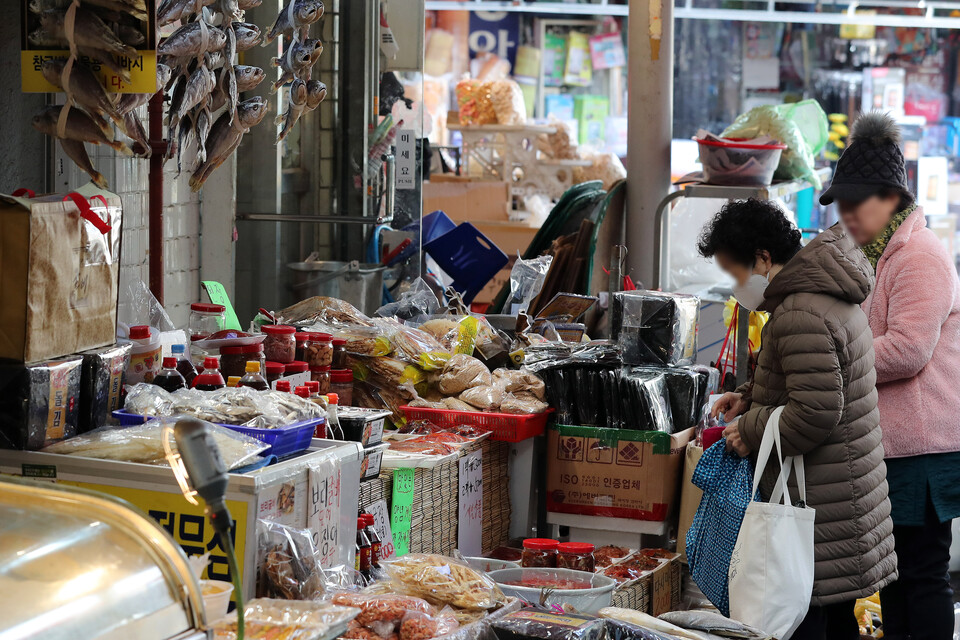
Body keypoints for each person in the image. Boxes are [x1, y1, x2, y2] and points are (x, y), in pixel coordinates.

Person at [700, 198, 896, 640]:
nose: (735, 286)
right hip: (845, 492)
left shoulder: (799, 312)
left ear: (762, 257)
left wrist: (749, 429)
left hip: (822, 504)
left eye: (735, 272)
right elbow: (808, 380)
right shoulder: (822, 294)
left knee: (809, 623)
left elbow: (815, 412)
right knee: (839, 622)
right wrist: (748, 397)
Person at [824, 111, 960, 640]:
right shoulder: (872, 255)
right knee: (891, 577)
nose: (847, 215)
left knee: (921, 574)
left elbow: (907, 350)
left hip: (920, 449)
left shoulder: (920, 256)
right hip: (887, 445)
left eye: (855, 204)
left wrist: (829, 360)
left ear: (890, 198)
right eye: (841, 205)